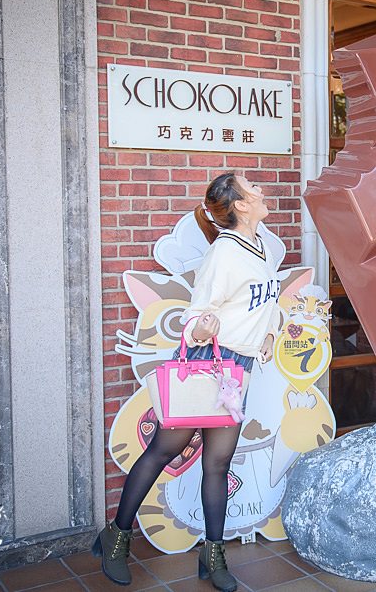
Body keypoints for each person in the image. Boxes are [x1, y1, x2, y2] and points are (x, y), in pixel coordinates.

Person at [94, 173, 281, 591]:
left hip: (239, 372)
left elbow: (266, 302)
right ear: (240, 205)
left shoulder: (260, 246)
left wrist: (268, 334)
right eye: (253, 188)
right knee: (164, 449)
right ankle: (116, 538)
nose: (261, 190)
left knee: (218, 463)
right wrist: (200, 330)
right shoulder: (224, 254)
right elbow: (197, 313)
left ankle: (212, 556)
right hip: (208, 365)